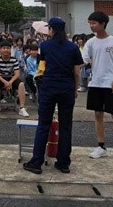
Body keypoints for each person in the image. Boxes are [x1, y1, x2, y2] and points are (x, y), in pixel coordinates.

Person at [23, 17, 83, 175]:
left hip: (49, 88)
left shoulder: (45, 45)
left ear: (52, 29)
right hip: (67, 89)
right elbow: (77, 72)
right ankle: (63, 163)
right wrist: (75, 88)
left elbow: (43, 64)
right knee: (65, 126)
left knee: (43, 124)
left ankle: (36, 162)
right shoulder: (73, 47)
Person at [82, 11, 113, 161]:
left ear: (103, 24)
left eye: (94, 23)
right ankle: (101, 146)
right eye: (90, 23)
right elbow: (83, 60)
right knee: (98, 114)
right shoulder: (90, 42)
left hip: (111, 83)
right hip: (95, 83)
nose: (91, 26)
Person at [0, 40, 29, 117]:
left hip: (11, 77)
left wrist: (10, 82)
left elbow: (17, 74)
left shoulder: (14, 60)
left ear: (10, 49)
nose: (6, 50)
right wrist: (5, 82)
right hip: (0, 78)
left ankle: (22, 108)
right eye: (4, 48)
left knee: (21, 84)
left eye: (8, 48)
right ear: (0, 49)